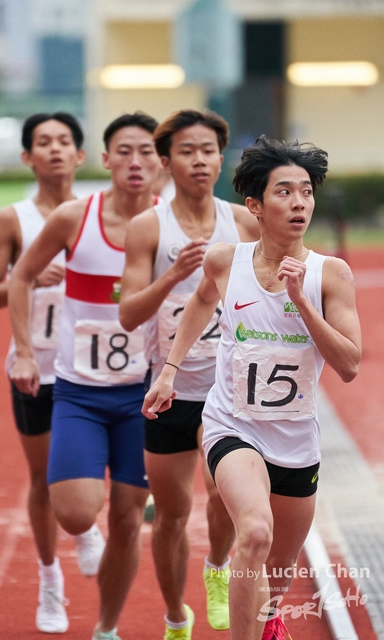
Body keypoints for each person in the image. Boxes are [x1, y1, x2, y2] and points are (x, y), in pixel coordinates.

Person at [142, 134, 362, 640]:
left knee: (274, 577)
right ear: (255, 206)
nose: (300, 202)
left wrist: (302, 302)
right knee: (255, 532)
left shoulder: (331, 275)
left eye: (306, 191)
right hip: (231, 425)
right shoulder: (225, 262)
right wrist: (171, 370)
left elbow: (349, 364)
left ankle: (270, 617)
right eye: (284, 191)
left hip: (295, 438)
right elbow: (200, 301)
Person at [7, 112, 162, 640]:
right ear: (104, 159)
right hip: (79, 391)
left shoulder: (173, 224)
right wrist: (25, 352)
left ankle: (106, 627)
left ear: (160, 162)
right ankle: (73, 549)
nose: (135, 162)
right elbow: (22, 277)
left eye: (146, 151)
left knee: (126, 521)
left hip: (145, 394)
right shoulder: (76, 217)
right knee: (75, 514)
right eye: (124, 151)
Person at [119, 109, 260, 639]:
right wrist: (175, 275)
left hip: (229, 391)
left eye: (207, 151)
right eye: (186, 151)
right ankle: (176, 615)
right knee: (173, 514)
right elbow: (129, 313)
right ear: (165, 161)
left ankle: (218, 569)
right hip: (169, 387)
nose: (199, 160)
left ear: (220, 158)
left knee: (222, 492)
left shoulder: (243, 223)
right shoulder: (148, 227)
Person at [0, 112, 105, 634]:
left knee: (89, 470)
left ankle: (86, 526)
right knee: (41, 477)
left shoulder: (99, 213)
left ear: (79, 155)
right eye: (42, 143)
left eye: (64, 142)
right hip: (34, 366)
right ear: (27, 157)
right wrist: (24, 278)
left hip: (92, 367)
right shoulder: (14, 219)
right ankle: (50, 581)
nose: (54, 150)